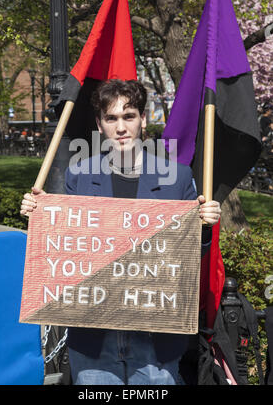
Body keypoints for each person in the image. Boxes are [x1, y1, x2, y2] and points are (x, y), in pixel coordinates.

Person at [20, 79, 221, 385]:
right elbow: (63, 245)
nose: (121, 127)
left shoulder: (177, 178)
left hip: (155, 336)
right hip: (93, 336)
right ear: (100, 125)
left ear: (143, 119)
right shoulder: (80, 176)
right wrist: (38, 216)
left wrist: (204, 227)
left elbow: (191, 254)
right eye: (111, 118)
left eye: (128, 117)